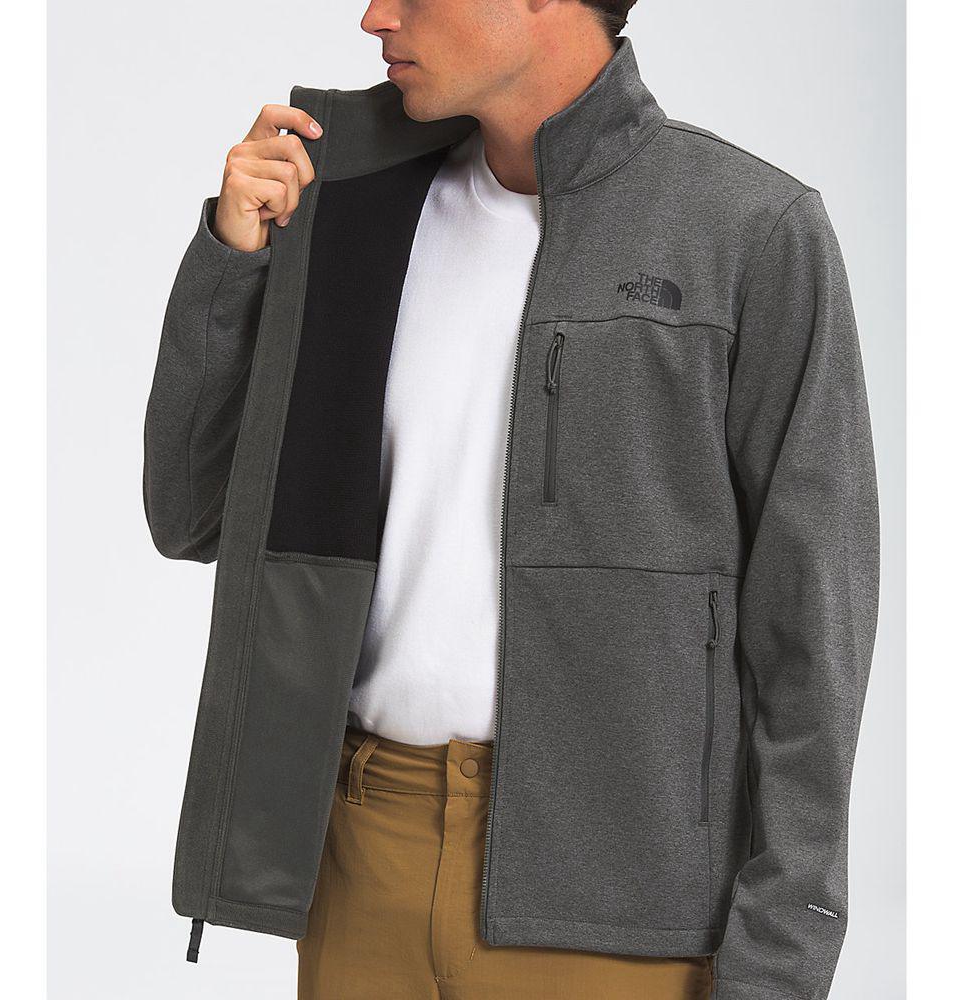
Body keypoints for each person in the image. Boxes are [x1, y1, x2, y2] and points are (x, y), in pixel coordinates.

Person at [143, 2, 880, 998]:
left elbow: (811, 638)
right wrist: (234, 263)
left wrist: (781, 960)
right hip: (363, 862)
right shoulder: (354, 207)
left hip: (616, 904)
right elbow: (191, 514)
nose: (374, 15)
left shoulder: (748, 230)